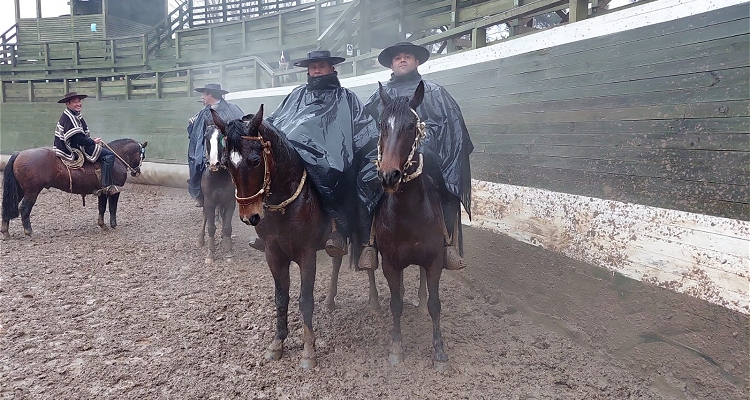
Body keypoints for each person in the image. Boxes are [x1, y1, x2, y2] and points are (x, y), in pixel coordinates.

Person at [248, 50, 381, 260]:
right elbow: (276, 121)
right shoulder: (296, 95)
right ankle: (268, 230)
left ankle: (338, 231)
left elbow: (365, 131)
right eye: (313, 67)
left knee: (335, 172)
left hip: (332, 157)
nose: (316, 70)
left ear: (332, 68)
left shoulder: (347, 98)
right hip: (293, 151)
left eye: (321, 65)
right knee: (268, 168)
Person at [363, 42, 474, 270]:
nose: (402, 60)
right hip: (387, 155)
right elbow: (366, 125)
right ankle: (369, 243)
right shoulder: (379, 95)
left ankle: (446, 243)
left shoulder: (435, 92)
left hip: (427, 156)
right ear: (392, 65)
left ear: (417, 62)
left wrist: (422, 144)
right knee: (363, 180)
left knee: (446, 183)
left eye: (407, 56)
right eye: (397, 58)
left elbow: (450, 129)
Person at [187, 83, 245, 207]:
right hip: (207, 146)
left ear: (210, 94)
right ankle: (200, 194)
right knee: (197, 160)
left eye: (204, 94)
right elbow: (197, 134)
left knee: (239, 161)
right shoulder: (203, 112)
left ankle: (243, 192)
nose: (202, 97)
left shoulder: (232, 109)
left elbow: (242, 127)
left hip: (229, 145)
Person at [53, 91, 118, 196]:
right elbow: (77, 140)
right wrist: (92, 141)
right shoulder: (69, 117)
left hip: (75, 144)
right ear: (67, 104)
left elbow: (78, 136)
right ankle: (106, 185)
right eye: (74, 102)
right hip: (71, 148)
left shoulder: (73, 115)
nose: (78, 104)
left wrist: (90, 139)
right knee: (109, 155)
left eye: (79, 101)